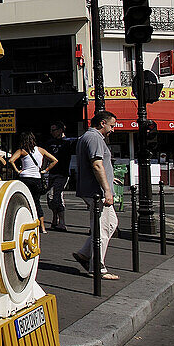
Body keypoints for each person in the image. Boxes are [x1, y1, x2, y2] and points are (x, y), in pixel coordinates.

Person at [72, 111, 120, 281]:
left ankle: (85, 254)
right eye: (111, 126)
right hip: (97, 192)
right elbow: (97, 164)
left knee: (111, 223)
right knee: (103, 228)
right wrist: (107, 190)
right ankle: (97, 266)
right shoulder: (95, 138)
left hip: (94, 189)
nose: (113, 129)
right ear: (102, 124)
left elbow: (99, 166)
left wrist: (109, 175)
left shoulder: (87, 137)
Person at [9, 131, 58, 233]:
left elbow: (11, 160)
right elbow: (54, 160)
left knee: (24, 201)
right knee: (37, 202)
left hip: (25, 178)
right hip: (37, 178)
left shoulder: (22, 151)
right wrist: (45, 170)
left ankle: (28, 223)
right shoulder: (40, 150)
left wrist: (18, 170)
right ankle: (42, 227)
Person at [45, 121, 76, 231]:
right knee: (50, 198)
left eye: (54, 130)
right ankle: (55, 219)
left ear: (60, 130)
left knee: (56, 196)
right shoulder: (50, 143)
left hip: (62, 173)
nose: (52, 132)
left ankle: (62, 222)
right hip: (52, 173)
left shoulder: (68, 142)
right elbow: (46, 157)